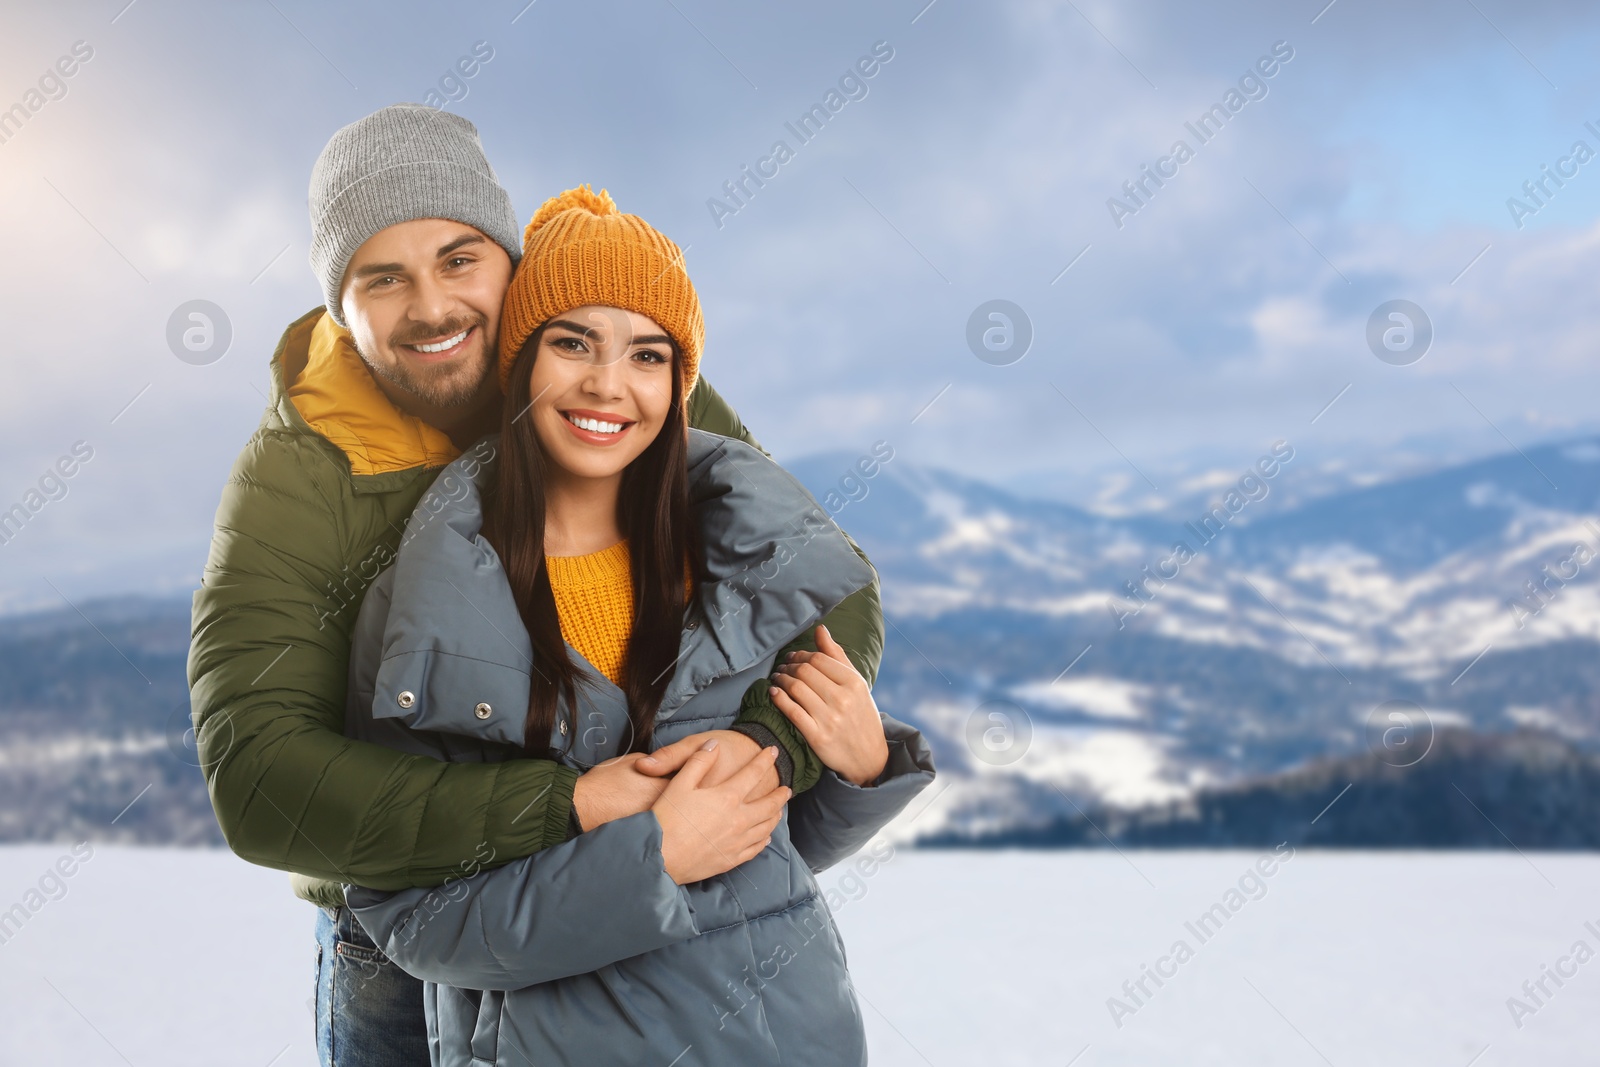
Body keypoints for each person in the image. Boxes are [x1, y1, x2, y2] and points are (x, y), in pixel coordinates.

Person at [186, 105, 886, 1066]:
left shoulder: (610, 366)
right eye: (381, 278)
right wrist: (577, 810)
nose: (431, 306)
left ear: (511, 264)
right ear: (339, 308)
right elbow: (261, 779)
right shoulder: (302, 471)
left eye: (460, 258)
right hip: (410, 924)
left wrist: (768, 755)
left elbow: (815, 585)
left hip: (691, 925)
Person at [343, 185, 936, 1066]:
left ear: (678, 380)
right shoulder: (429, 600)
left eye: (647, 354)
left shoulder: (735, 562)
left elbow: (761, 855)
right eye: (572, 342)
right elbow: (411, 917)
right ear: (520, 363)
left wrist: (856, 769)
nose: (608, 384)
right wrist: (651, 860)